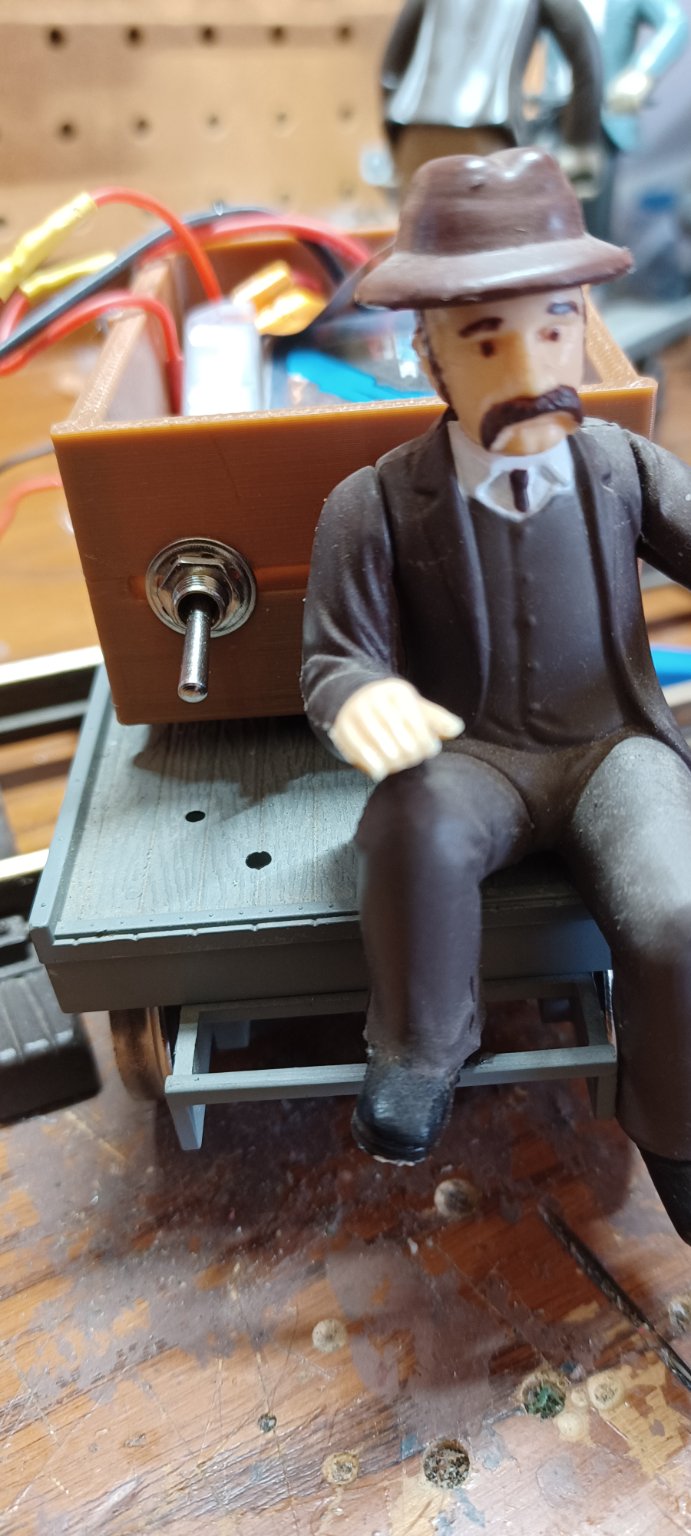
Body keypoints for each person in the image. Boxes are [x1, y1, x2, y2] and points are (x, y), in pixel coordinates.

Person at [301, 147, 691, 1245]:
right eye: (485, 339)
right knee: (410, 826)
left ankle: (676, 1126)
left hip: (612, 747)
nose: (530, 365)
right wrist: (358, 699)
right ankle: (418, 1050)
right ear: (426, 356)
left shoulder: (622, 467)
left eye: (554, 327)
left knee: (678, 911)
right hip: (473, 755)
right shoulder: (373, 505)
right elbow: (333, 657)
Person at [380, 0, 604, 190]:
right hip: (491, 131)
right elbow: (587, 63)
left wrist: (392, 142)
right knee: (496, 224)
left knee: (417, 224)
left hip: (413, 129)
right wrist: (579, 145)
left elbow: (389, 73)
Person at [541, 0, 688, 238]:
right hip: (549, 110)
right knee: (539, 205)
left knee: (589, 219)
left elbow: (674, 22)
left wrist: (642, 71)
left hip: (600, 116)